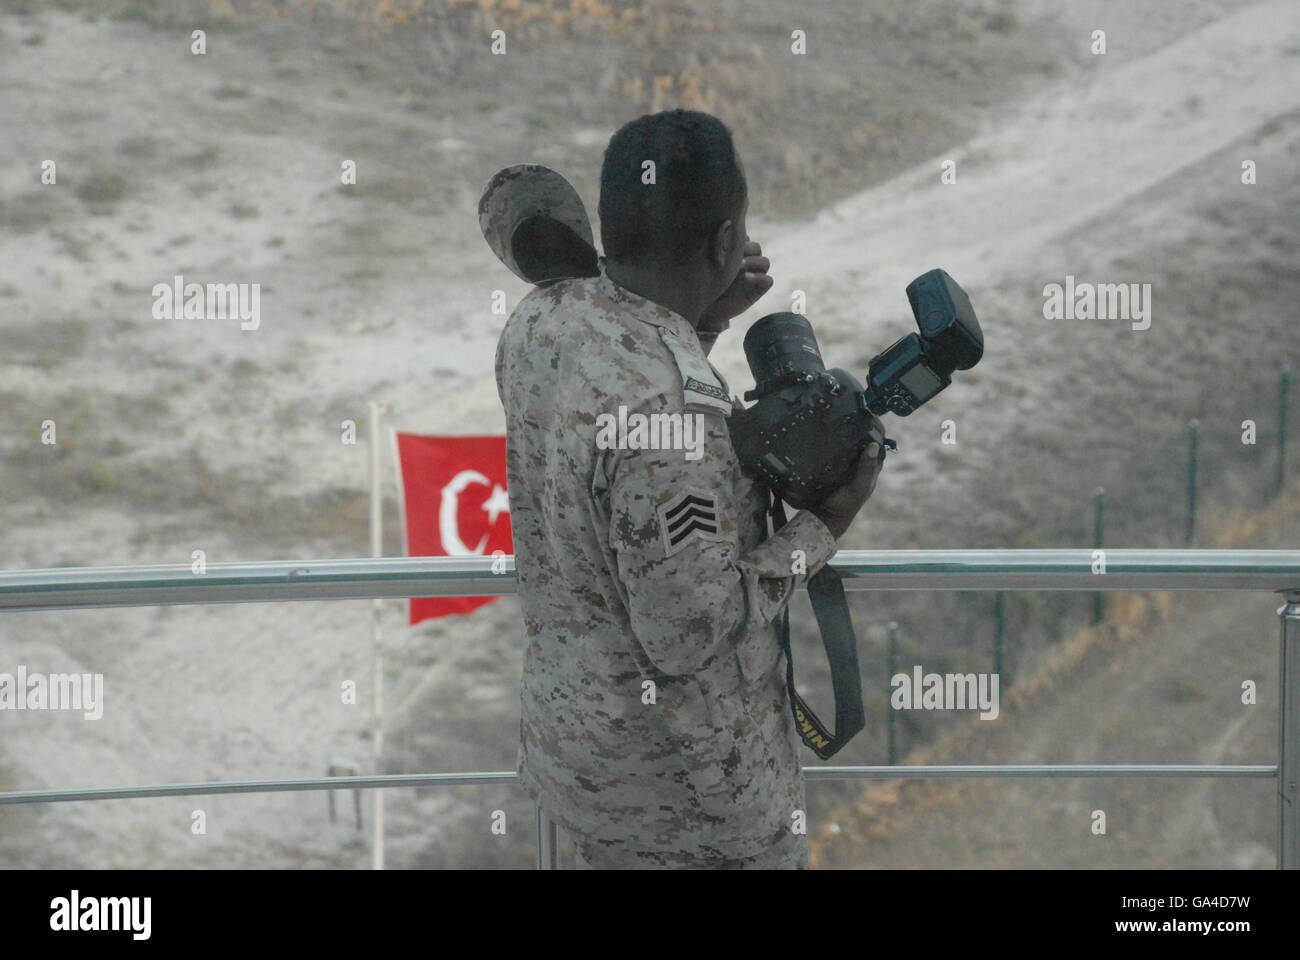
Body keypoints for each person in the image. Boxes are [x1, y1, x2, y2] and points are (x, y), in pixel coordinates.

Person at [493, 109, 885, 869]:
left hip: (581, 761)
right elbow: (687, 633)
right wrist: (825, 523)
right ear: (722, 242)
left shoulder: (542, 320)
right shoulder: (676, 416)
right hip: (685, 808)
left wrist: (697, 324)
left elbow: (612, 417)